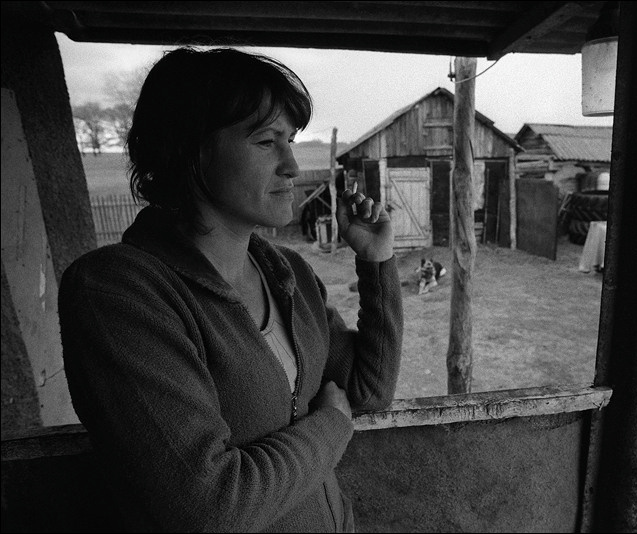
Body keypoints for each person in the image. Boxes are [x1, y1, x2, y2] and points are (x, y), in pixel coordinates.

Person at [58, 47, 403, 533]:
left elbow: (369, 390)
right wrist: (329, 427)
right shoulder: (119, 293)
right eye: (266, 142)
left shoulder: (290, 274)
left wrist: (376, 260)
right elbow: (208, 508)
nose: (292, 166)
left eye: (291, 140)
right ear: (191, 150)